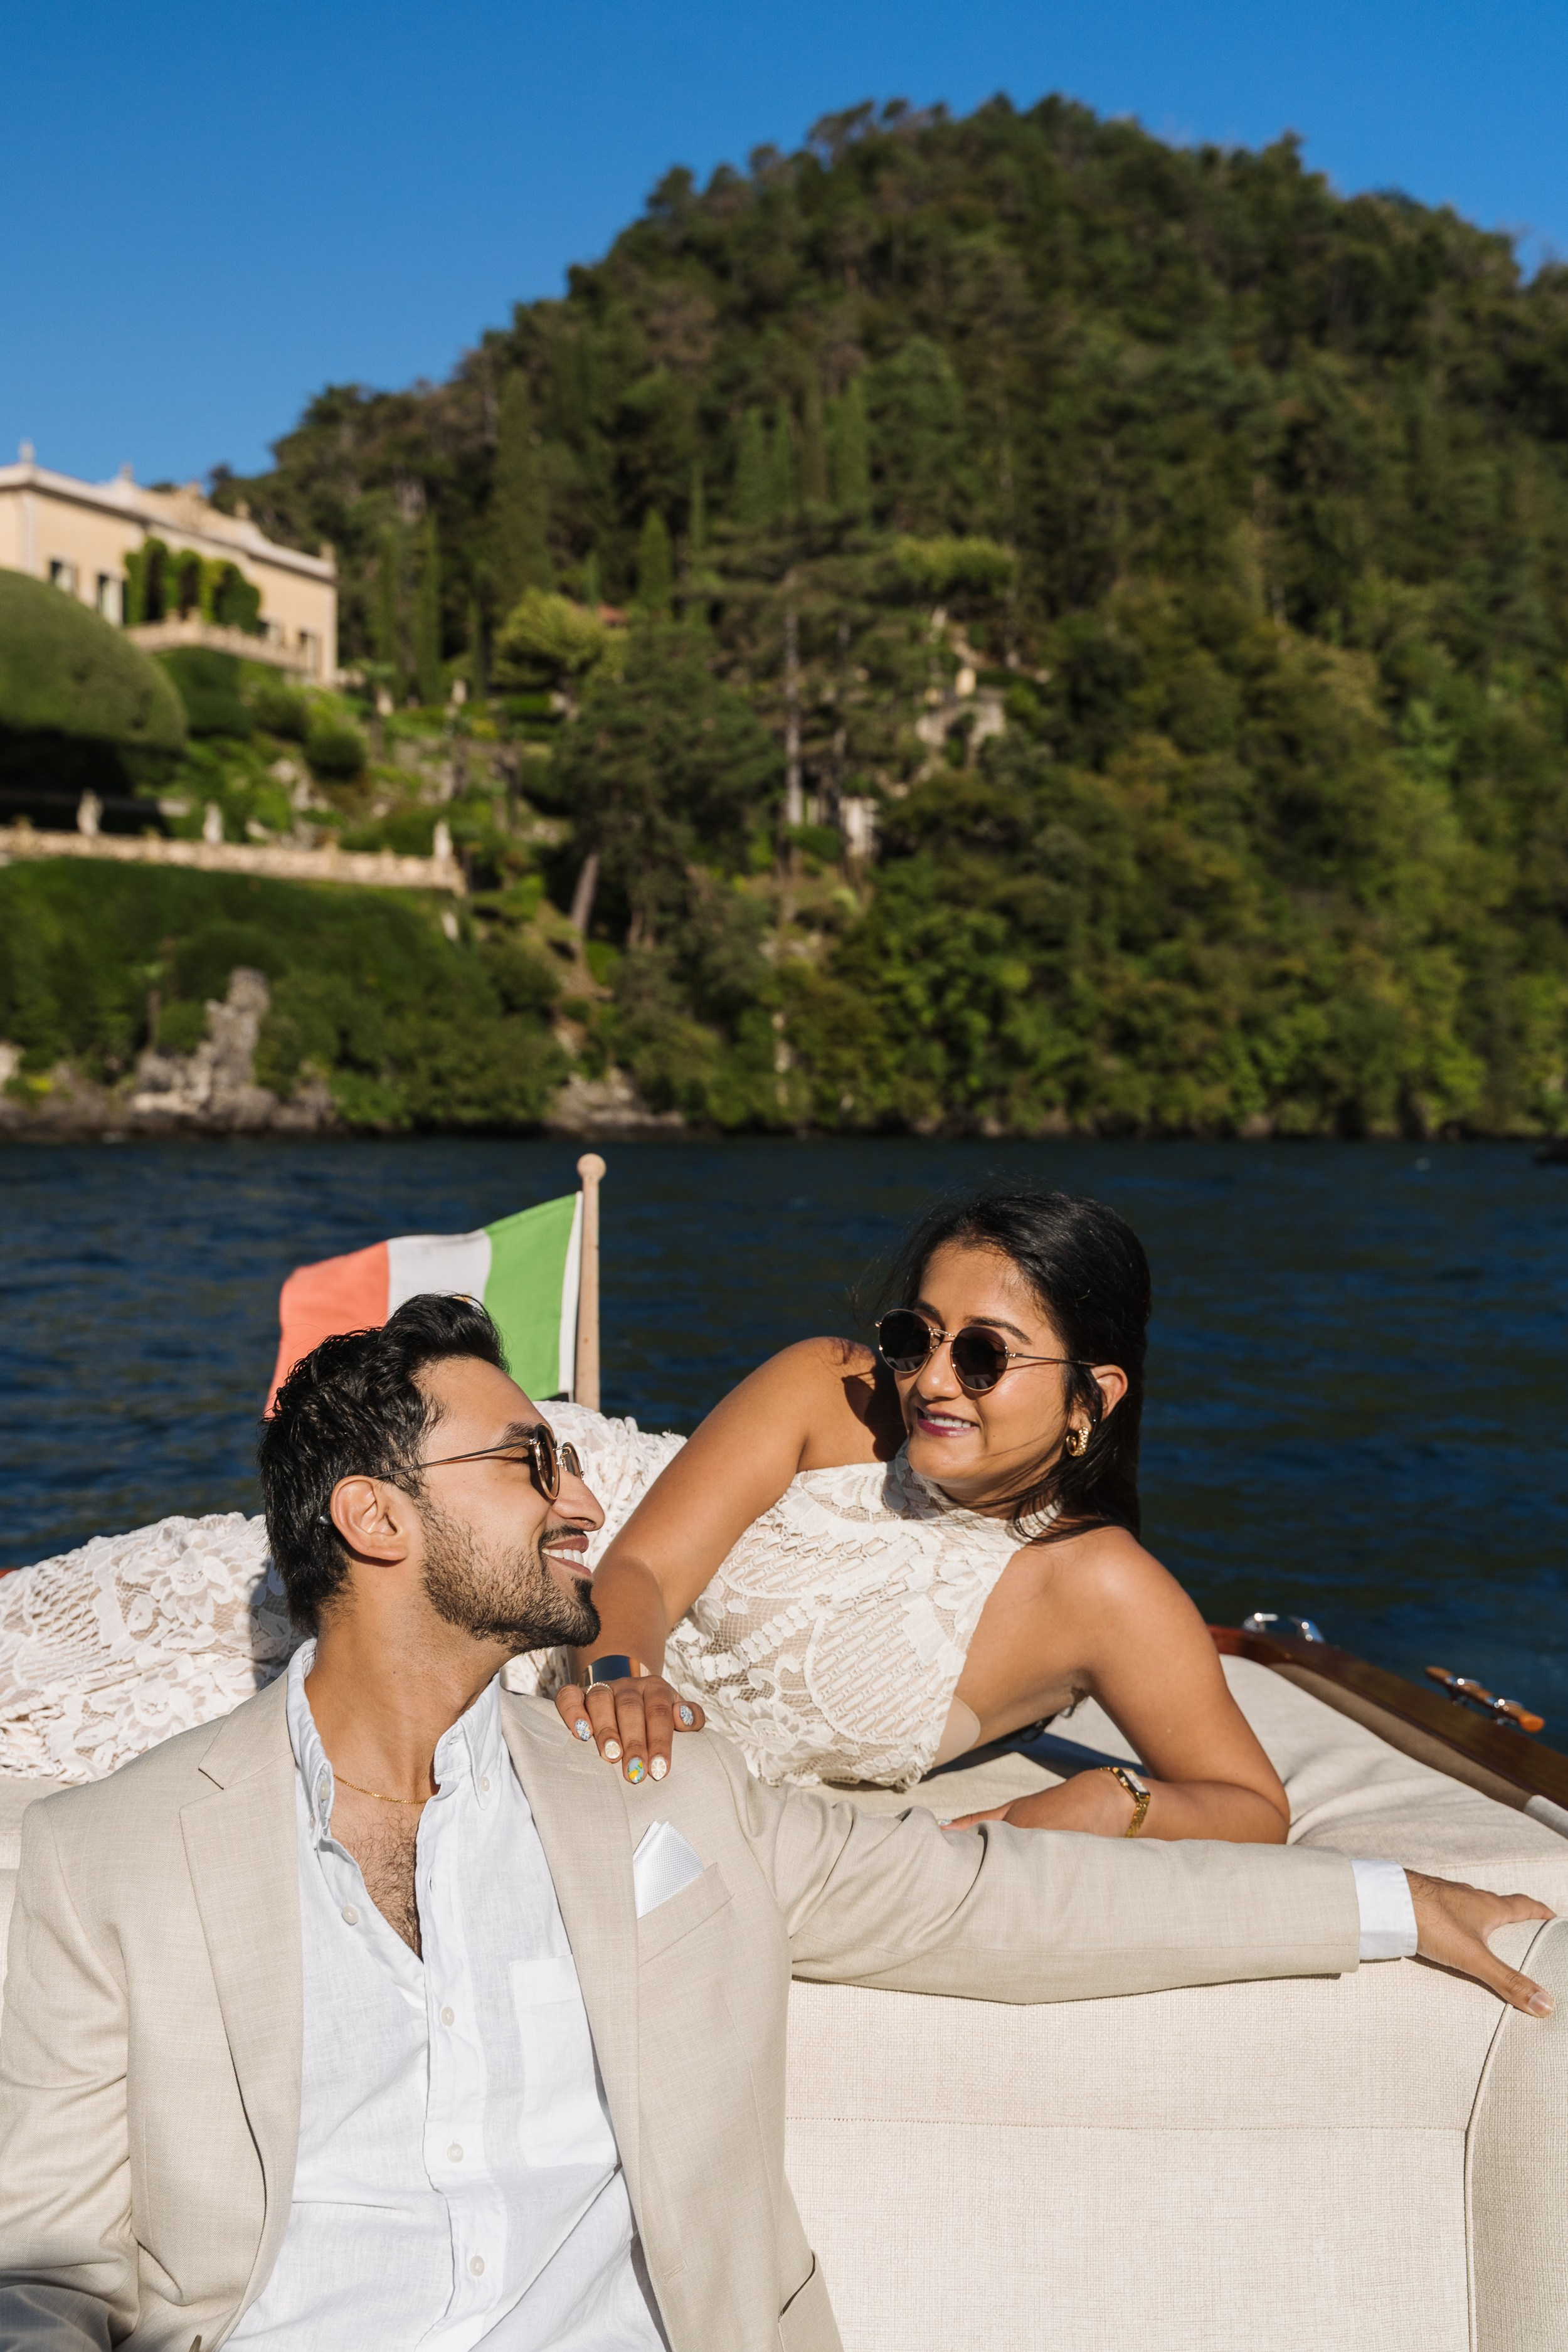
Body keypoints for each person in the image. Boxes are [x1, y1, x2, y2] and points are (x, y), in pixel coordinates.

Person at [0, 1295, 1552, 2352]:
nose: (579, 1502)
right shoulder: (104, 1861)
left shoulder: (666, 1796)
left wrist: (1393, 1905)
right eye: (529, 1463)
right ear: (375, 1517)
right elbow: (45, 2276)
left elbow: (997, 1900)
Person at [551, 1185, 1288, 1838]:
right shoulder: (828, 1389)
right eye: (915, 1338)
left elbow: (1251, 1806)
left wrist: (1111, 1801)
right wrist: (619, 1678)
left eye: (983, 1356)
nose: (932, 1380)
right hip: (553, 1518)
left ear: (1091, 1399)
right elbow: (642, 1567)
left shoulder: (1102, 1592)